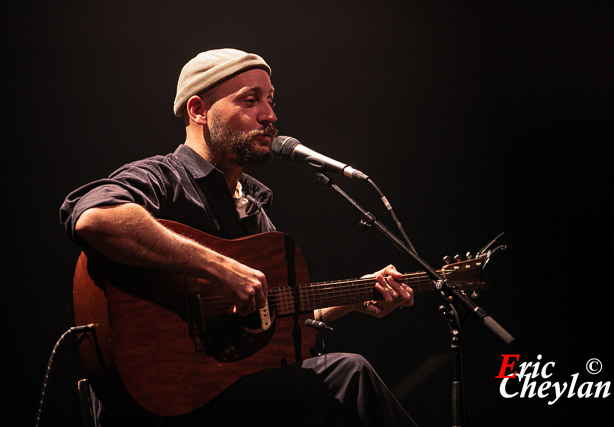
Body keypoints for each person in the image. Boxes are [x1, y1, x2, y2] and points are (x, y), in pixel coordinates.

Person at [60, 48, 417, 426]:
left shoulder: (254, 209)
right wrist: (221, 269)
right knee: (348, 376)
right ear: (198, 111)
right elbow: (95, 217)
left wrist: (355, 298)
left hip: (226, 391)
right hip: (163, 402)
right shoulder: (161, 178)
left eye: (270, 100)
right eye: (250, 100)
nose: (270, 115)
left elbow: (265, 314)